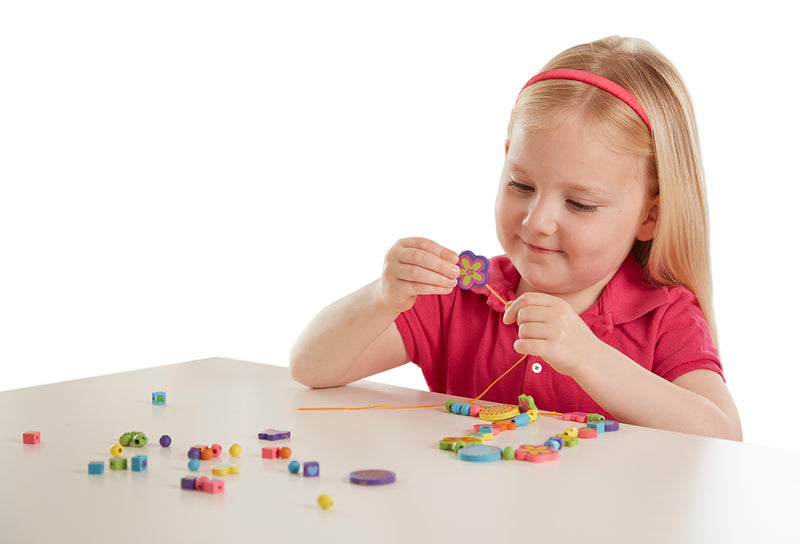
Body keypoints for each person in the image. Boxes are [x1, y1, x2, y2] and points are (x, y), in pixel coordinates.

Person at [290, 36, 742, 441]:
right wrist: (383, 296)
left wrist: (588, 357)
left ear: (651, 216)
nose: (537, 220)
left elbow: (722, 436)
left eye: (580, 204)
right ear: (506, 160)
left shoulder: (663, 318)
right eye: (521, 186)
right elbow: (311, 367)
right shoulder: (461, 293)